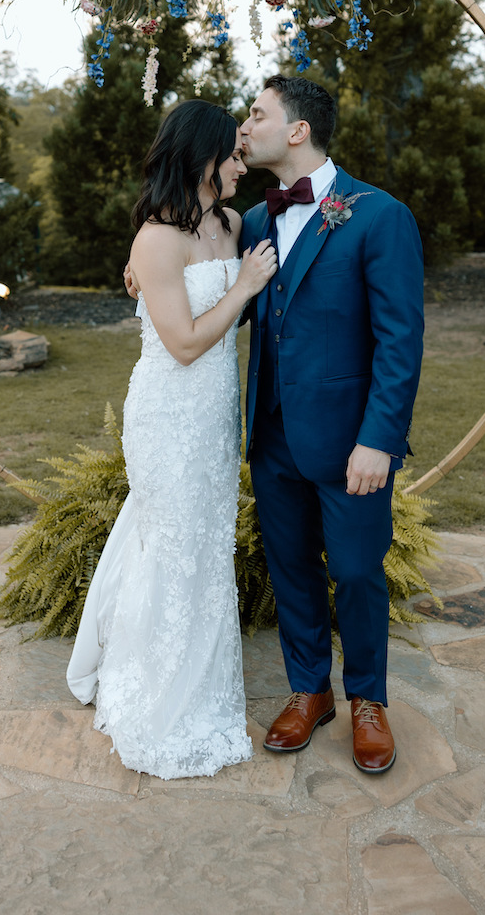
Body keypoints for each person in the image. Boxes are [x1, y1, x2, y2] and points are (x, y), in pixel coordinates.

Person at [66, 99, 278, 779]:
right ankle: (156, 692)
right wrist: (243, 287)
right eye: (234, 156)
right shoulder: (156, 240)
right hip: (166, 412)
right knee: (174, 545)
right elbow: (185, 342)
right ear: (203, 160)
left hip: (214, 417)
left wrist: (241, 288)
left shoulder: (232, 222)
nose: (244, 167)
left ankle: (203, 679)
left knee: (204, 547)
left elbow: (222, 321)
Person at [239, 75, 424, 774]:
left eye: (255, 115)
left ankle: (368, 701)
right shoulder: (254, 222)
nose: (244, 126)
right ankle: (308, 690)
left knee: (354, 570)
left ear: (296, 131)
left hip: (351, 440)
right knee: (289, 569)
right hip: (273, 435)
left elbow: (399, 341)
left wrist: (378, 437)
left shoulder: (378, 216)